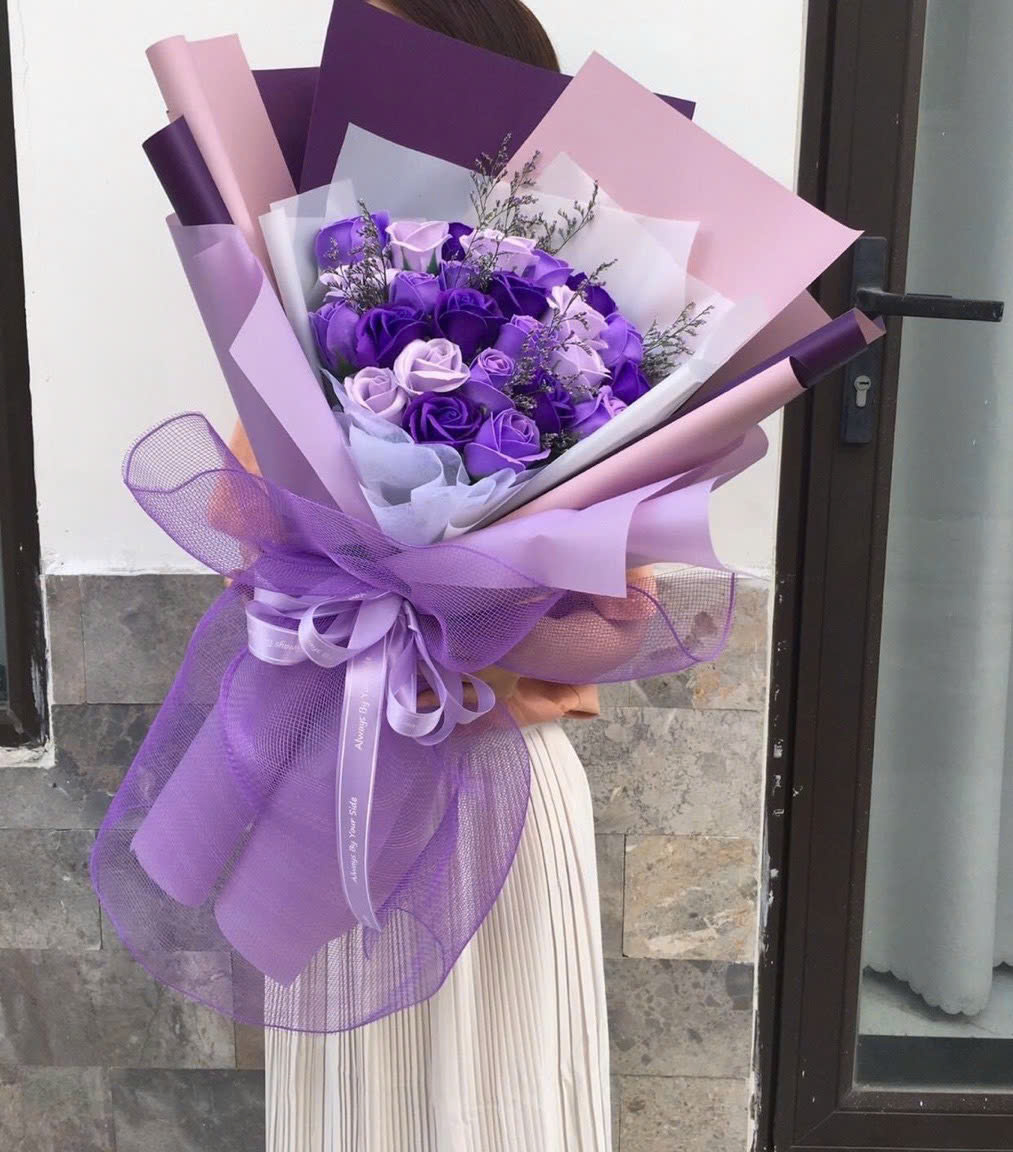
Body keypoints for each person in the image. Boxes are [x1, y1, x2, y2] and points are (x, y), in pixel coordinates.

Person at [266, 4, 613, 1148]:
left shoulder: (581, 338)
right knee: (357, 1107)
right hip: (346, 778)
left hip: (496, 782)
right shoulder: (302, 320)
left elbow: (624, 609)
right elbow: (247, 544)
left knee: (500, 1094)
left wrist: (480, 625)